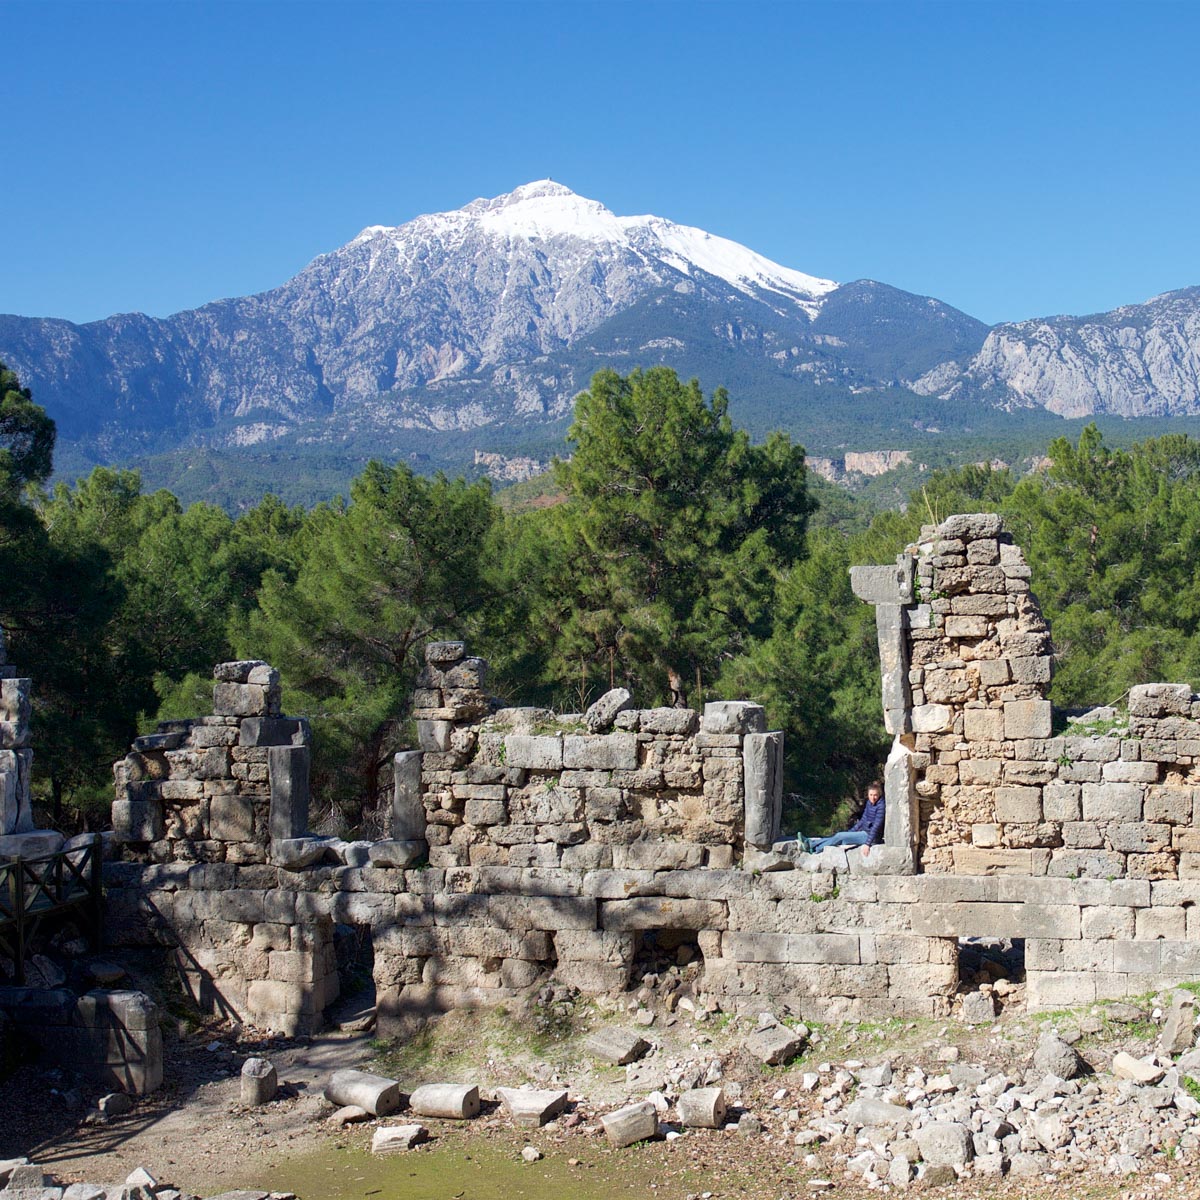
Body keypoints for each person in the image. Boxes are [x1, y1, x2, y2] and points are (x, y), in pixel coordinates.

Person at [805, 781, 885, 855]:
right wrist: (851, 832)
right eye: (871, 795)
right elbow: (862, 821)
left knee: (840, 836)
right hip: (864, 832)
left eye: (875, 795)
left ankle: (816, 849)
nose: (873, 797)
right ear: (868, 794)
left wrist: (867, 844)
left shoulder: (881, 806)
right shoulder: (869, 803)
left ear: (879, 795)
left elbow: (876, 827)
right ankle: (812, 843)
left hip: (871, 837)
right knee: (839, 836)